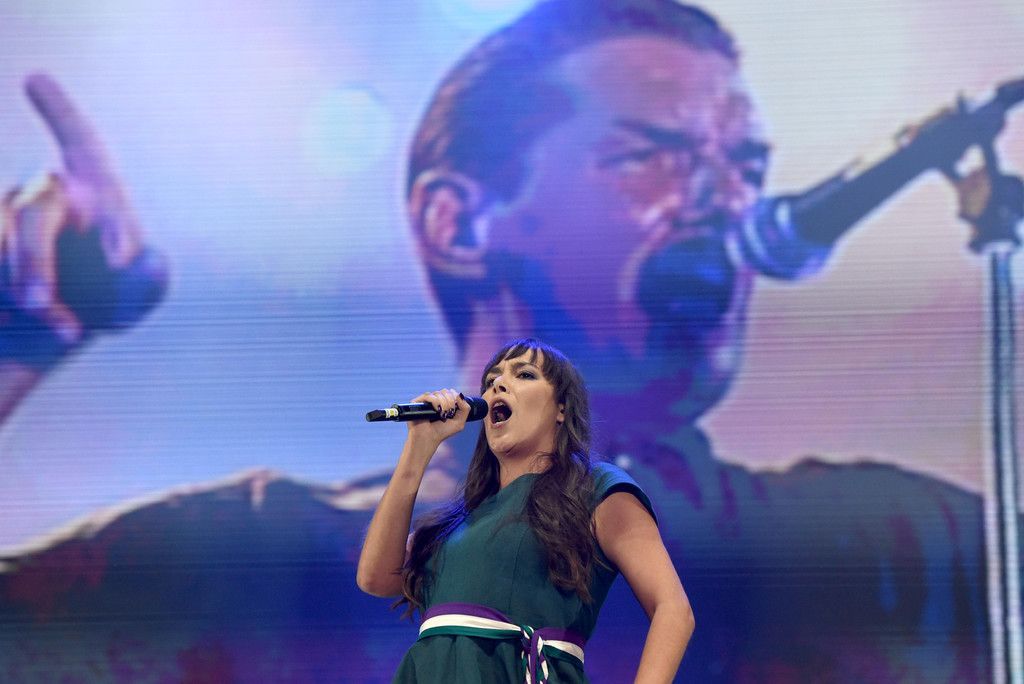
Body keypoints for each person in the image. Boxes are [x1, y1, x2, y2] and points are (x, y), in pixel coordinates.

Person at [0, 0, 993, 681]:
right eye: (650, 156)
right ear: (459, 225)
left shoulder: (902, 550)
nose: (725, 208)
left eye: (744, 169)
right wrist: (17, 339)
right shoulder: (257, 564)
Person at [357, 338, 694, 682]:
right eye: (491, 380)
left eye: (525, 374)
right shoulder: (454, 526)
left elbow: (672, 609)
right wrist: (419, 447)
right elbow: (375, 576)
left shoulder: (595, 489)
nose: (498, 384)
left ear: (561, 408)